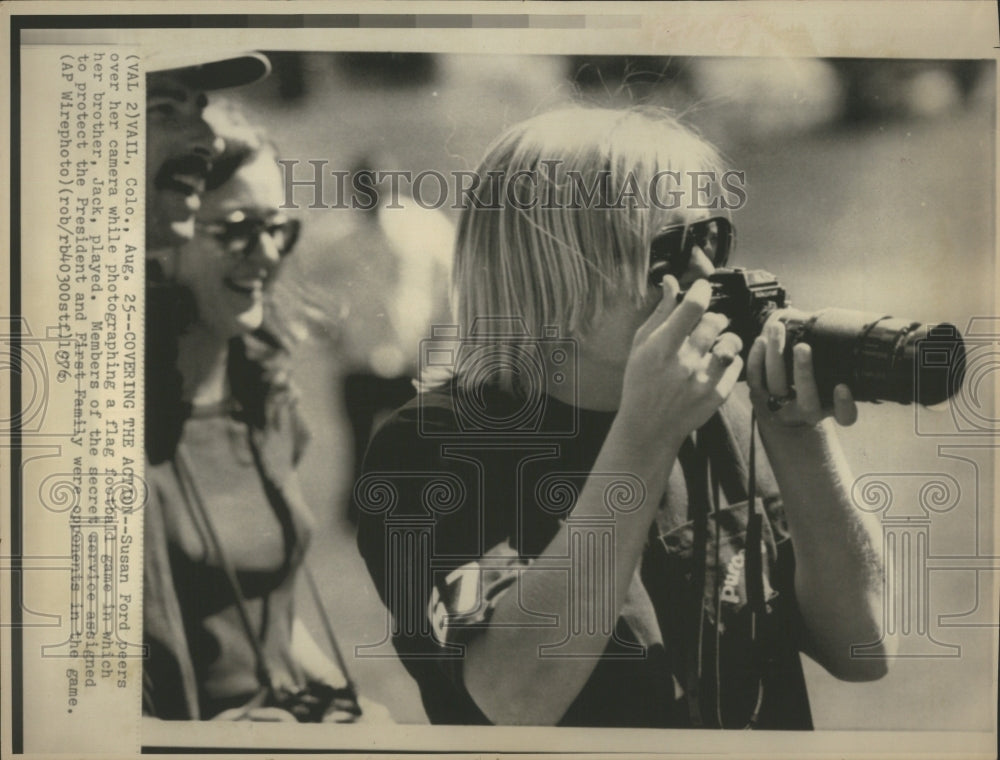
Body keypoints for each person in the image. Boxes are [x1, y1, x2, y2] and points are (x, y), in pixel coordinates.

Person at [355, 105, 891, 729]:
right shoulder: (429, 447)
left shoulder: (723, 410)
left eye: (710, 237)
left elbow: (865, 646)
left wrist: (802, 437)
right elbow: (513, 696)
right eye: (666, 250)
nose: (705, 274)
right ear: (546, 270)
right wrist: (643, 437)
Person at [142, 107, 376, 723]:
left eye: (279, 228)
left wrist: (347, 706)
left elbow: (270, 613)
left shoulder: (269, 406)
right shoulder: (111, 431)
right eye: (239, 228)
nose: (268, 254)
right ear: (169, 232)